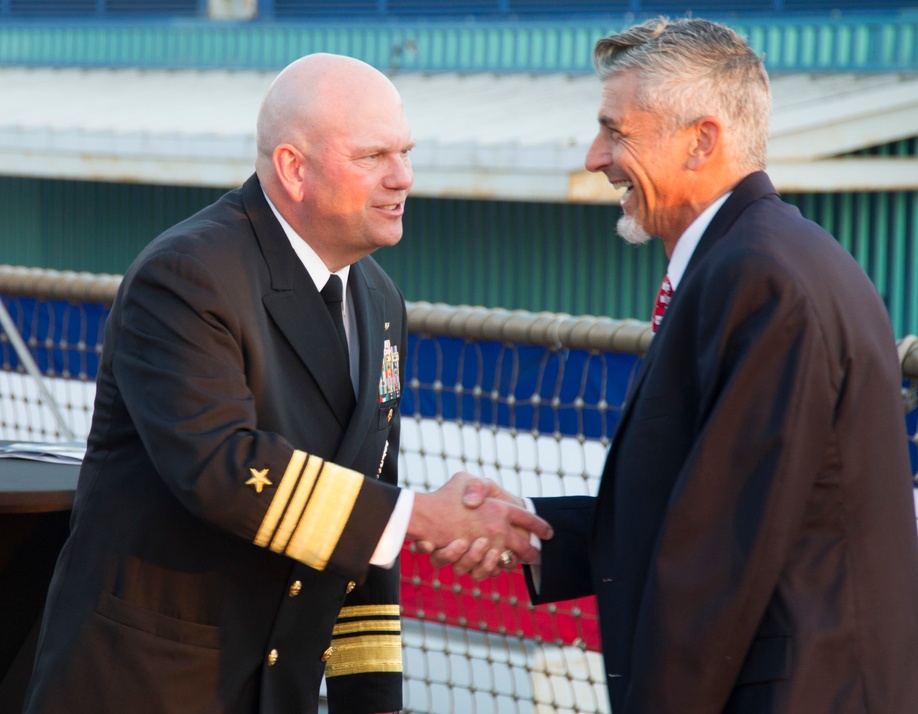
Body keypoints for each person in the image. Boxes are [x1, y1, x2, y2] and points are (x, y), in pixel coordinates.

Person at [438, 17, 918, 714]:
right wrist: (534, 529)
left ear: (702, 140)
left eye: (615, 131)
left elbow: (720, 554)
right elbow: (709, 503)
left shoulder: (760, 278)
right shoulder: (767, 259)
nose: (596, 156)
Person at [22, 53, 550, 714]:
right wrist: (419, 516)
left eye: (406, 152)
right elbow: (220, 465)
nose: (403, 177)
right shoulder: (187, 275)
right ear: (293, 168)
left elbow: (367, 520)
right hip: (150, 686)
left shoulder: (379, 300)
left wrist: (372, 702)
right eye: (372, 156)